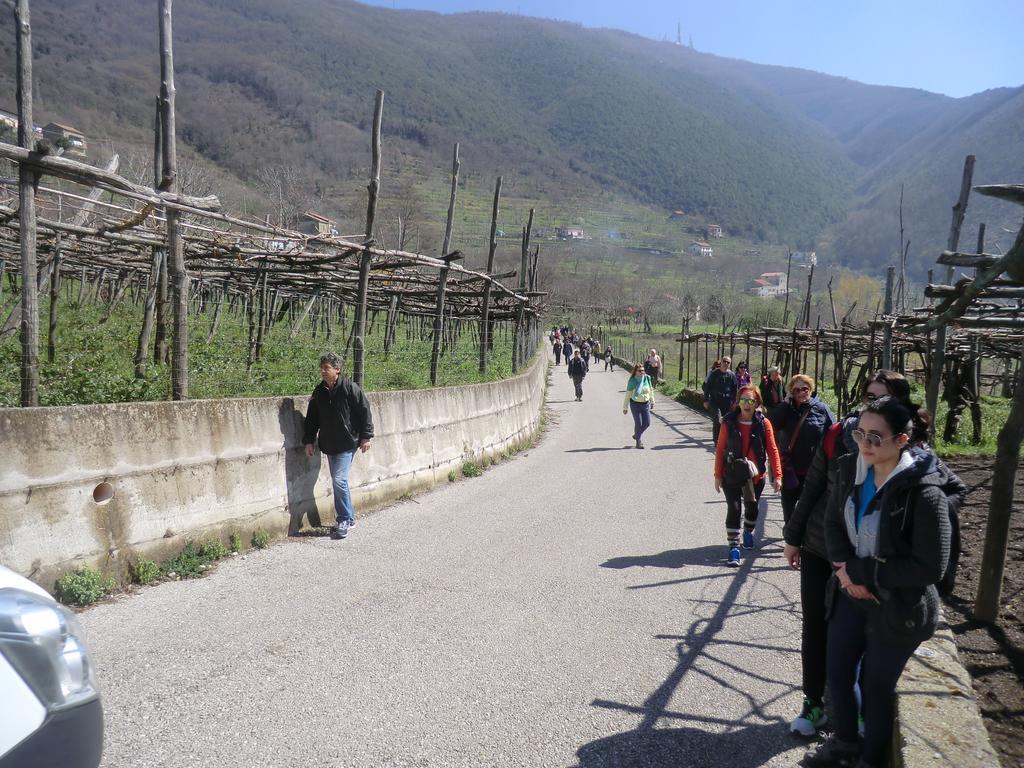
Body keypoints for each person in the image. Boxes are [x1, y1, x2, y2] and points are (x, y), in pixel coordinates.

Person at [784, 371, 966, 738]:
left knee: (868, 638)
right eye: (869, 395)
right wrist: (793, 535)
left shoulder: (913, 451)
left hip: (877, 560)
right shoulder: (840, 434)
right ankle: (814, 703)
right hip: (824, 548)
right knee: (816, 628)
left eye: (883, 398)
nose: (873, 404)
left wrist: (914, 511)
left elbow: (954, 490)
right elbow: (814, 485)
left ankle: (862, 713)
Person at [302, 352, 374, 540]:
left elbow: (364, 411)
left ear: (337, 369)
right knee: (338, 481)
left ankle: (343, 519)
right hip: (329, 444)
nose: (323, 371)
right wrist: (309, 441)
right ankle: (349, 519)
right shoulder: (319, 392)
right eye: (322, 368)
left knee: (339, 480)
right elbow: (312, 419)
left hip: (348, 442)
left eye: (327, 368)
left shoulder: (350, 388)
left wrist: (366, 436)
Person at [714, 385, 781, 565]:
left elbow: (773, 450)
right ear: (738, 402)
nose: (746, 404)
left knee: (752, 509)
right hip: (732, 473)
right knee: (734, 509)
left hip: (755, 476)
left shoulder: (763, 423)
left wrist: (778, 475)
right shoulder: (728, 422)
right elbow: (720, 449)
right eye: (743, 400)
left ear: (757, 403)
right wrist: (718, 475)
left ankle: (748, 532)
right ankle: (734, 547)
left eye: (751, 401)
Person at [769, 374, 834, 524]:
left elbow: (834, 432)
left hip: (814, 469)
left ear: (810, 389)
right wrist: (785, 404)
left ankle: (804, 539)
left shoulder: (821, 409)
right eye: (796, 390)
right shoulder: (786, 409)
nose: (800, 393)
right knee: (789, 506)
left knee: (811, 508)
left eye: (804, 389)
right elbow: (771, 425)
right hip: (791, 468)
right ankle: (790, 536)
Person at [703, 356, 738, 445]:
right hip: (715, 400)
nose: (726, 363)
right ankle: (716, 440)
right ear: (721, 362)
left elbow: (735, 390)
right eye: (724, 361)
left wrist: (735, 402)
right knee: (717, 419)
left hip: (726, 401)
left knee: (726, 420)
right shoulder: (714, 373)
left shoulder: (732, 375)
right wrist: (706, 400)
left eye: (728, 362)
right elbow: (707, 387)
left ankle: (725, 439)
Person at [623, 363, 656, 449]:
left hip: (646, 404)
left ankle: (637, 434)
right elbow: (627, 395)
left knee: (647, 423)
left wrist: (652, 401)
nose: (642, 372)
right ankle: (638, 442)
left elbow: (651, 391)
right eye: (640, 371)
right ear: (635, 372)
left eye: (643, 370)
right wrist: (625, 407)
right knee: (638, 424)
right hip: (635, 404)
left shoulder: (647, 379)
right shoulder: (632, 381)